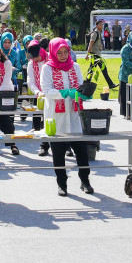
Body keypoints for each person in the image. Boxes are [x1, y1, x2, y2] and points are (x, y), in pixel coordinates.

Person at [40, 38, 93, 196]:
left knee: (81, 150)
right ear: (53, 52)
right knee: (58, 152)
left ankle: (85, 180)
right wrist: (64, 93)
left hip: (74, 113)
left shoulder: (74, 66)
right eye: (59, 52)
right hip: (56, 116)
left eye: (65, 52)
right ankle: (61, 183)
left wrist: (84, 93)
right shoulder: (47, 69)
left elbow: (80, 85)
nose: (63, 55)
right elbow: (46, 90)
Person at [26, 39, 50, 156]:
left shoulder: (50, 58)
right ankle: (44, 146)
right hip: (40, 95)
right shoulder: (31, 63)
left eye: (36, 57)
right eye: (33, 58)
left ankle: (66, 147)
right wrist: (38, 92)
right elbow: (30, 81)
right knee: (43, 120)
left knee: (56, 119)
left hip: (53, 95)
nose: (35, 60)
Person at [85, 20, 118, 89]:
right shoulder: (95, 33)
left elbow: (96, 42)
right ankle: (111, 84)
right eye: (100, 25)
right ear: (97, 26)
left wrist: (100, 46)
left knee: (92, 69)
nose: (102, 26)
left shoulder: (99, 33)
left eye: (102, 25)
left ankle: (86, 83)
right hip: (95, 54)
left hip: (97, 54)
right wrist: (87, 54)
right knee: (103, 69)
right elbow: (91, 44)